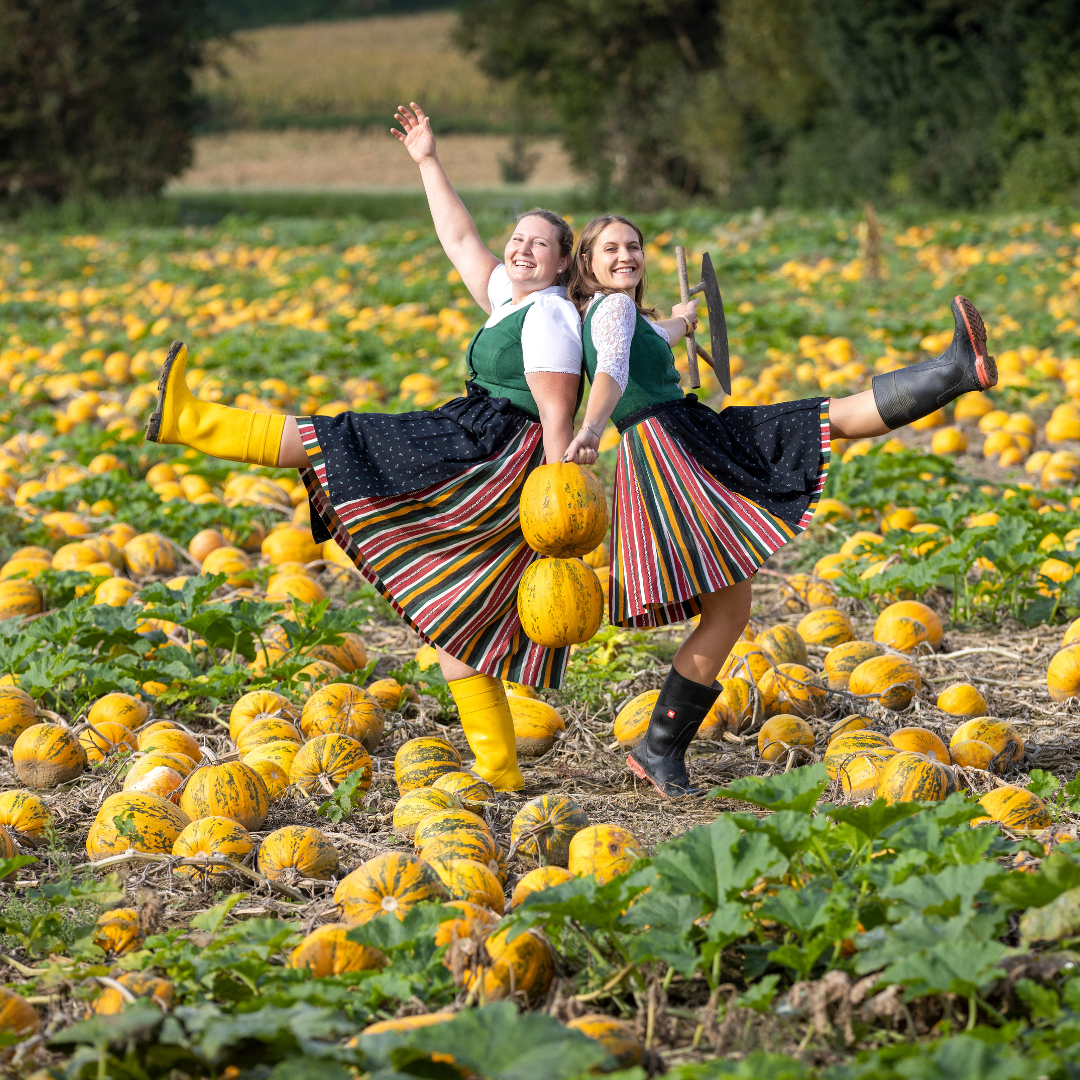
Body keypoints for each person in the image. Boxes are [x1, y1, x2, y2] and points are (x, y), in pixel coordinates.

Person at [144, 102, 587, 792]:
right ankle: (499, 772)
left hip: (495, 455)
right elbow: (461, 238)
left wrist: (563, 507)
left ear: (562, 264)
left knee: (347, 439)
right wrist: (427, 161)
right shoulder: (512, 299)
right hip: (483, 442)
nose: (522, 247)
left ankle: (194, 422)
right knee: (456, 623)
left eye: (540, 243)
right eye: (520, 237)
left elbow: (557, 411)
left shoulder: (553, 314)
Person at [562, 214, 997, 797]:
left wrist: (681, 322)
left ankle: (659, 747)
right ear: (586, 262)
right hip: (676, 450)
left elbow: (648, 340)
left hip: (678, 440)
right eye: (610, 249)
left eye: (634, 247)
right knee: (824, 419)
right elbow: (612, 369)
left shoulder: (622, 315)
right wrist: (591, 427)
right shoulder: (612, 311)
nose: (626, 256)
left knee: (729, 611)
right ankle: (955, 370)